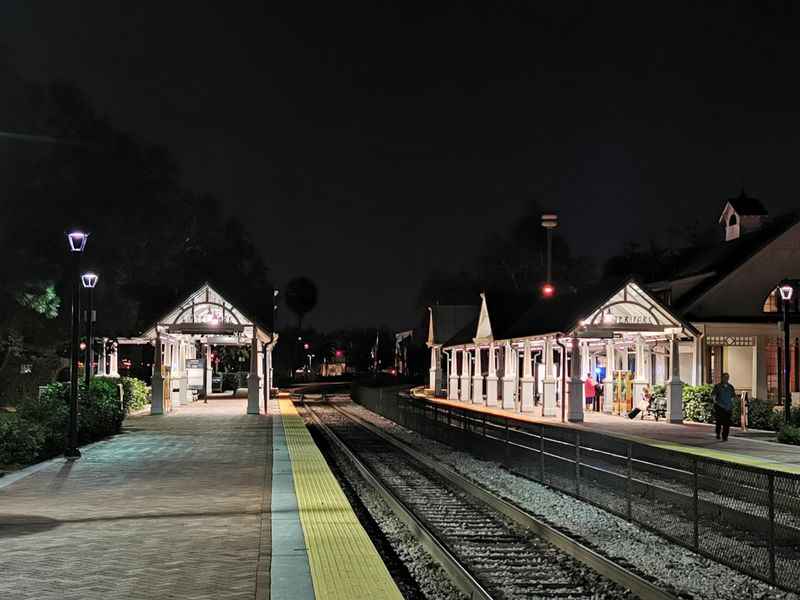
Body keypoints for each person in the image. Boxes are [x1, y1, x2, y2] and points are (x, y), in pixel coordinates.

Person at [711, 372, 736, 441]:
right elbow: (714, 396)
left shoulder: (730, 387)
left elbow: (733, 397)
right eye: (725, 377)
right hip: (720, 407)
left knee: (727, 423)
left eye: (727, 378)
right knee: (719, 422)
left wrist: (731, 404)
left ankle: (725, 436)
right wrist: (715, 402)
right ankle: (718, 433)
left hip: (728, 408)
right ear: (722, 378)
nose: (726, 379)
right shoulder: (718, 386)